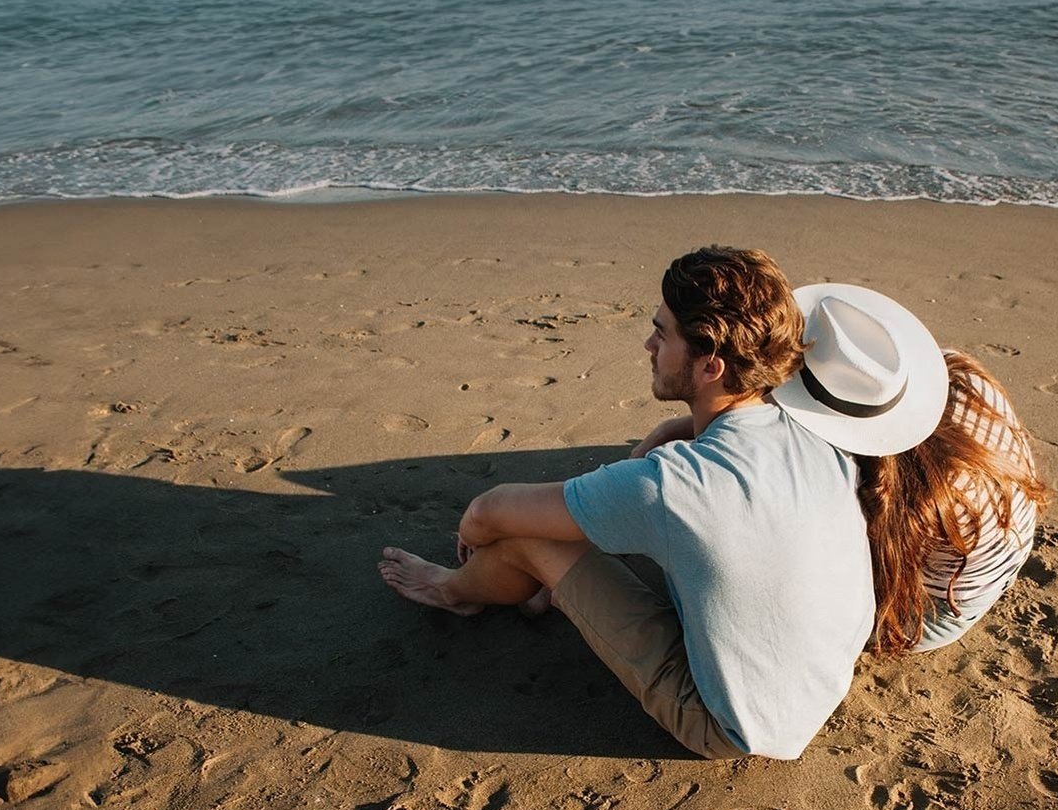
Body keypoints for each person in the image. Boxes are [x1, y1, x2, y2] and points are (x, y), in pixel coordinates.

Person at [376, 247, 949, 760]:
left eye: (662, 334)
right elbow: (708, 461)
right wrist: (665, 435)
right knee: (608, 520)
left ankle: (454, 594)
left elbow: (491, 509)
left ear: (709, 365)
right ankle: (538, 590)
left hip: (730, 723)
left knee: (529, 535)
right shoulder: (813, 431)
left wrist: (475, 536)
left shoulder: (676, 485)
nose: (648, 345)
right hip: (812, 678)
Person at [855, 349, 1051, 655]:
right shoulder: (962, 377)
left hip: (946, 610)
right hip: (1006, 552)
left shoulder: (930, 496)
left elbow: (891, 580)